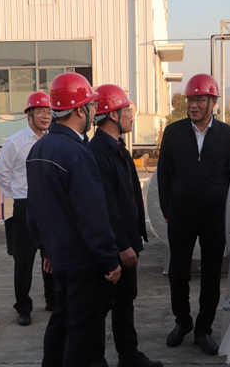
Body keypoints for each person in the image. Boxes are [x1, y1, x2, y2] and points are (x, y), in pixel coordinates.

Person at [26, 72, 121, 367]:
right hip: (82, 261)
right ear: (80, 110)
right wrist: (110, 259)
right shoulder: (77, 153)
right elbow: (92, 216)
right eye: (91, 105)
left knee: (60, 319)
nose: (94, 110)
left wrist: (46, 249)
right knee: (81, 332)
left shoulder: (38, 149)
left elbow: (33, 209)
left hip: (59, 257)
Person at [157, 73, 230, 355]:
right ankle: (183, 322)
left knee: (211, 276)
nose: (193, 105)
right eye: (190, 99)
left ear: (213, 102)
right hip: (181, 216)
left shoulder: (228, 135)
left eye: (200, 99)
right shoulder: (173, 133)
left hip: (214, 217)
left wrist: (229, 213)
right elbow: (163, 173)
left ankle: (203, 330)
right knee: (178, 273)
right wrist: (167, 210)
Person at [88, 84, 163, 367]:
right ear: (112, 115)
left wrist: (134, 239)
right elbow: (106, 206)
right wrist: (121, 246)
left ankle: (128, 354)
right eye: (127, 110)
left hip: (127, 241)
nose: (131, 115)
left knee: (124, 300)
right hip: (114, 246)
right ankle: (97, 359)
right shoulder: (98, 152)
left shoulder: (117, 147)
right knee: (102, 305)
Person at [0, 91, 56, 326]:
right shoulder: (16, 141)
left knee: (51, 254)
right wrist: (16, 194)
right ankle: (23, 307)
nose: (45, 116)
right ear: (29, 114)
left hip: (48, 205)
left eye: (49, 112)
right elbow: (0, 171)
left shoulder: (52, 140)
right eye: (40, 111)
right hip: (25, 206)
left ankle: (52, 299)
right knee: (24, 259)